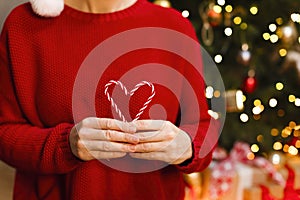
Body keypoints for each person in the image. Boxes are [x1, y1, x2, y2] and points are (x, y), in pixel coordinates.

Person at [0, 0, 217, 199]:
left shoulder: (173, 27)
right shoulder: (23, 25)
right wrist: (64, 145)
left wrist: (187, 146)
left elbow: (202, 126)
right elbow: (4, 131)